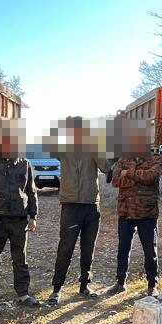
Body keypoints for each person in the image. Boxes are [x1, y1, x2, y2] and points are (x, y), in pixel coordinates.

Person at [47, 117, 112, 305]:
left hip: (91, 205)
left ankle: (85, 286)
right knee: (65, 248)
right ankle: (56, 289)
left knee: (88, 249)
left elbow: (106, 167)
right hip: (70, 205)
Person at [0, 125, 40, 315]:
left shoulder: (25, 164)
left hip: (19, 220)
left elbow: (31, 191)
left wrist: (33, 216)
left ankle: (23, 294)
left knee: (20, 258)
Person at [105, 126, 162, 297]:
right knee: (123, 248)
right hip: (126, 212)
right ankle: (120, 282)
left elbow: (150, 177)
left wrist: (128, 174)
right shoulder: (124, 159)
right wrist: (136, 177)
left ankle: (152, 284)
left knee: (149, 250)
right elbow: (115, 180)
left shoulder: (155, 158)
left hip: (147, 213)